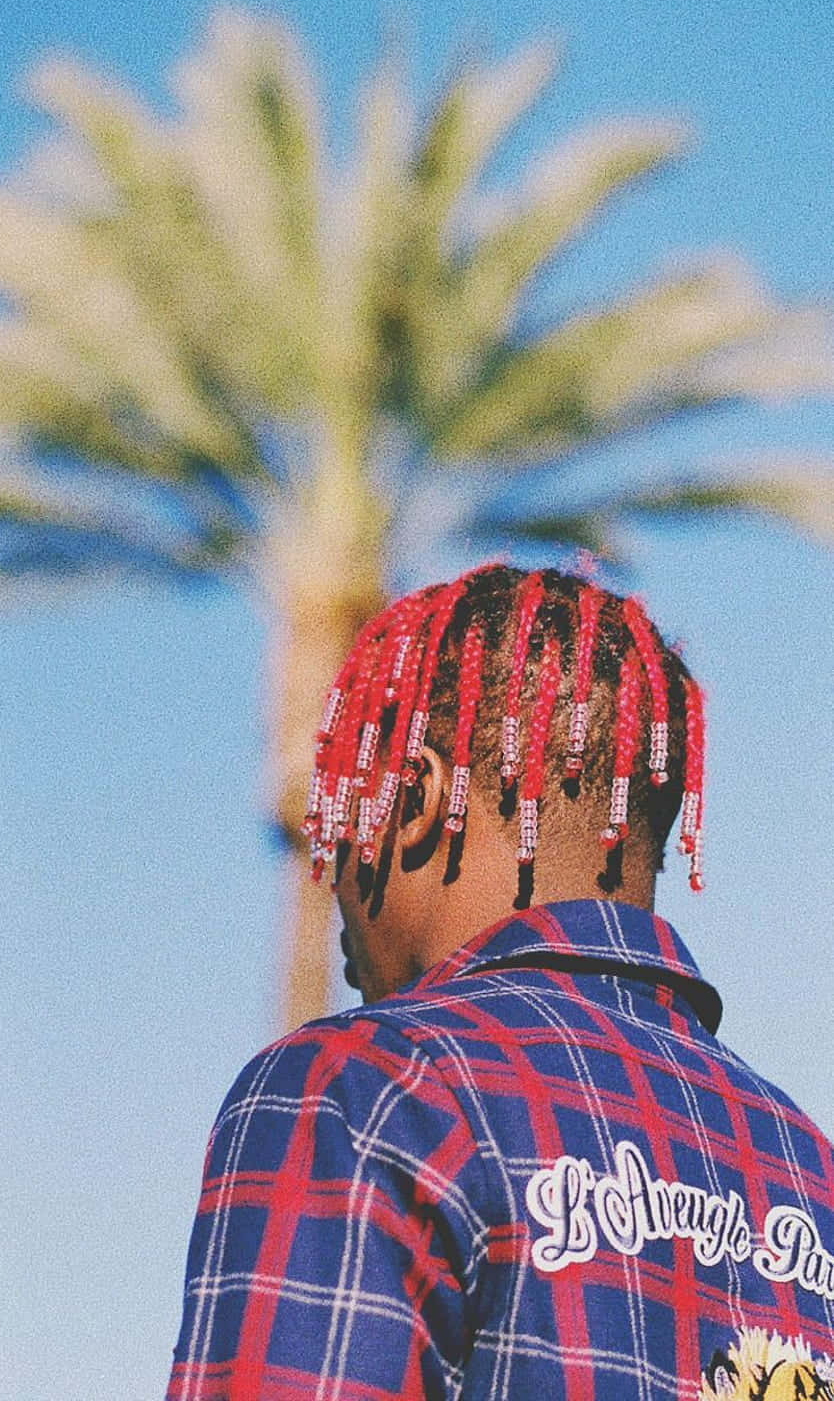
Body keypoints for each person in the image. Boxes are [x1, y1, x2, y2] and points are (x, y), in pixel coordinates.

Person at [167, 564, 834, 1400]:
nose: (330, 874)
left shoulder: (370, 1088)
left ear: (413, 799)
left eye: (341, 819)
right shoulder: (808, 1165)